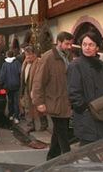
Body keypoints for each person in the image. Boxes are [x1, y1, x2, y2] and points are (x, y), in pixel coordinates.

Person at [68, 32, 103, 146]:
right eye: (84, 44)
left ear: (97, 47)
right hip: (88, 117)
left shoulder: (102, 64)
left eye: (91, 45)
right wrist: (85, 109)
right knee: (89, 152)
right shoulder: (75, 65)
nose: (87, 47)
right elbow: (73, 92)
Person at [32, 31, 74, 160]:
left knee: (58, 132)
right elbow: (39, 80)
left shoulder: (68, 56)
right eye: (67, 44)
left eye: (71, 44)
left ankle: (51, 158)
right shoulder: (48, 57)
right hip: (54, 101)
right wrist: (39, 102)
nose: (69, 47)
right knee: (63, 133)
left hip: (65, 101)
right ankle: (68, 160)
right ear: (59, 42)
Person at [19, 46, 48, 132]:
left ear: (34, 55)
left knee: (39, 107)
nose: (27, 57)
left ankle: (44, 123)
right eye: (26, 55)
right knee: (27, 108)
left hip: (37, 89)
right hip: (26, 87)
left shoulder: (39, 62)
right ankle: (30, 125)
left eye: (29, 55)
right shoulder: (25, 63)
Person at [0, 50, 21, 124]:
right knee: (16, 101)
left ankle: (11, 114)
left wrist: (1, 84)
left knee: (10, 100)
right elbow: (20, 73)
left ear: (7, 55)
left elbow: (2, 76)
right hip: (16, 85)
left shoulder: (4, 64)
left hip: (8, 86)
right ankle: (16, 117)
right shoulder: (17, 63)